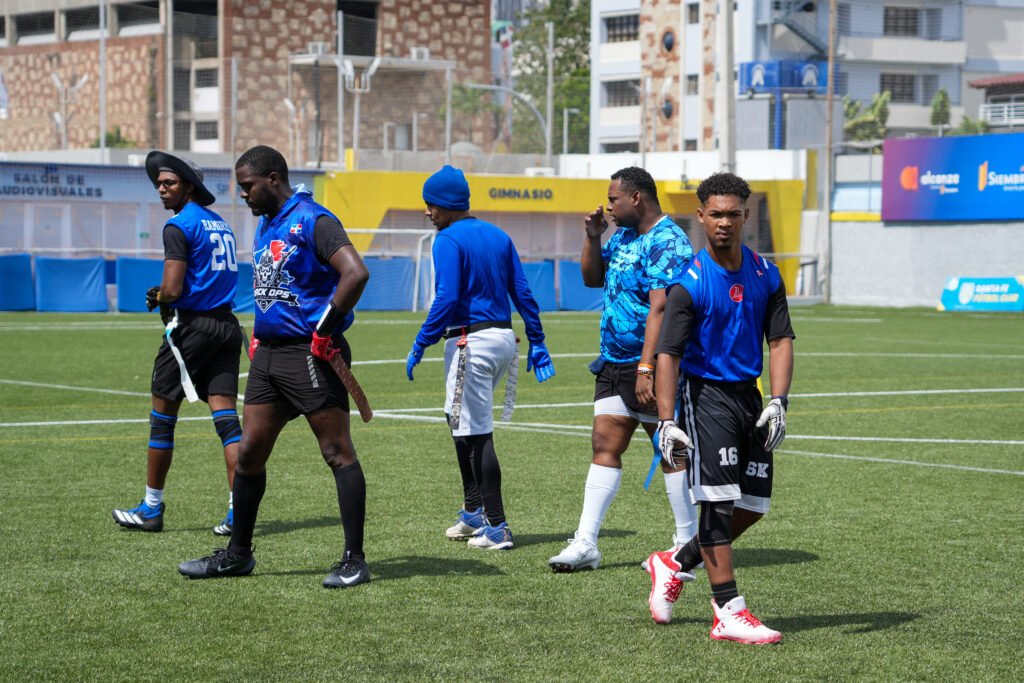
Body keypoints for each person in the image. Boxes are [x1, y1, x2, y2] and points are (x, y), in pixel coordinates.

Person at [178, 145, 373, 588]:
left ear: (272, 178)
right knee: (248, 454)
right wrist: (261, 337)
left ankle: (354, 560)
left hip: (310, 354)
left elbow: (355, 273)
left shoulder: (313, 219)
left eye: (247, 186)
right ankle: (237, 554)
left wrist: (324, 329)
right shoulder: (267, 223)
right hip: (269, 357)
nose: (242, 195)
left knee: (337, 453)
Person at [647, 172, 794, 644]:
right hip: (703, 394)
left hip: (748, 397)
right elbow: (668, 354)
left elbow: (781, 339)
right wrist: (667, 422)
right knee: (716, 503)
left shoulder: (766, 274)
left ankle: (674, 561)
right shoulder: (688, 284)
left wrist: (778, 401)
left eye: (734, 214)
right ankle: (728, 610)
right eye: (716, 214)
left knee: (752, 505)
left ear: (746, 216)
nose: (725, 222)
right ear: (701, 216)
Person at [548, 166, 696, 573]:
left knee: (670, 450)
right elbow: (592, 277)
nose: (608, 206)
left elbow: (661, 307)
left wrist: (648, 366)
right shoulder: (625, 235)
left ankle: (688, 544)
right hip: (613, 361)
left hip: (650, 365)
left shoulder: (668, 240)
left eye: (613, 199)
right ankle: (586, 543)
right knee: (604, 446)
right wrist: (593, 237)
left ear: (636, 199)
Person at [406, 165, 555, 551]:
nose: (427, 212)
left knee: (477, 436)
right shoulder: (499, 235)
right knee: (456, 419)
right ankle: (474, 510)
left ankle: (498, 527)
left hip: (470, 342)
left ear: (447, 205)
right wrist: (536, 340)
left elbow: (447, 297)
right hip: (501, 338)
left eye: (431, 205)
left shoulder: (447, 239)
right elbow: (522, 292)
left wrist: (421, 341)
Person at [113, 151, 243, 536]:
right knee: (226, 422)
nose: (161, 189)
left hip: (193, 328)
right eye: (159, 183)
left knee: (162, 417)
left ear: (189, 186)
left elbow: (172, 287)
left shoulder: (179, 225)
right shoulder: (220, 223)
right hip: (227, 326)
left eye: (168, 183)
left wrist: (161, 295)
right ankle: (239, 511)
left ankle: (151, 508)